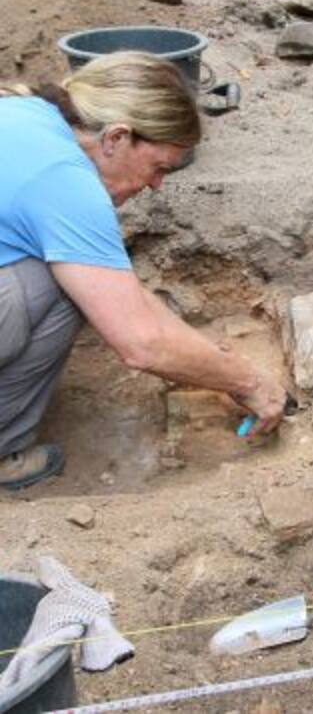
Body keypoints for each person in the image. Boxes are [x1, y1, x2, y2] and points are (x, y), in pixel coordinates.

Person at [0, 52, 288, 490]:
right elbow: (141, 344)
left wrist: (211, 357)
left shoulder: (29, 115)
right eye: (158, 168)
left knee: (66, 278)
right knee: (62, 288)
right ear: (116, 137)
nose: (156, 185)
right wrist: (245, 381)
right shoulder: (66, 182)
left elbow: (121, 291)